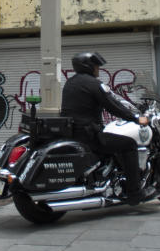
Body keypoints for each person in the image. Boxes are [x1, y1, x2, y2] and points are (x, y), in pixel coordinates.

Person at [60, 51, 148, 205]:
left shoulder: (70, 82)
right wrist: (134, 117)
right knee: (129, 145)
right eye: (96, 66)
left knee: (114, 142)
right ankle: (135, 193)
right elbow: (112, 105)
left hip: (74, 133)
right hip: (89, 136)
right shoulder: (93, 84)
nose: (98, 69)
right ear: (89, 66)